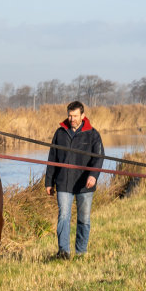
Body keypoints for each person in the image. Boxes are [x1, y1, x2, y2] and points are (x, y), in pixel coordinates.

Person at [44, 101, 104, 259]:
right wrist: (49, 182)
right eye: (70, 115)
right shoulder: (60, 133)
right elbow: (52, 158)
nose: (72, 119)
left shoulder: (93, 134)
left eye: (75, 116)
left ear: (83, 116)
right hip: (64, 182)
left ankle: (81, 252)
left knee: (84, 218)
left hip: (85, 184)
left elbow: (99, 158)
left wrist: (93, 175)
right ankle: (64, 252)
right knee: (63, 216)